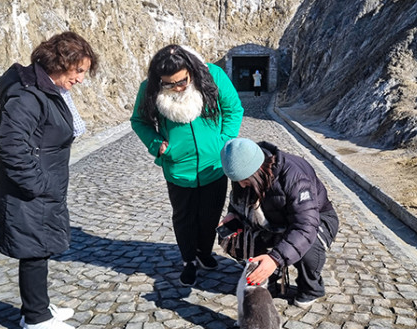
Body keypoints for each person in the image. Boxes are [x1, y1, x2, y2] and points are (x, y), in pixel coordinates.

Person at [0, 31, 99, 329]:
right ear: (58, 63)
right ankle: (36, 319)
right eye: (78, 70)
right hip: (29, 189)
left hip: (41, 186)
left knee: (39, 246)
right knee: (34, 251)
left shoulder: (46, 88)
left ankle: (39, 306)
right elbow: (12, 146)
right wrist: (39, 185)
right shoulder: (27, 96)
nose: (81, 79)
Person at [130, 44, 244, 287]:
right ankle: (188, 260)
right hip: (177, 169)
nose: (178, 88)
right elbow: (139, 121)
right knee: (184, 217)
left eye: (182, 81)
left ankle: (204, 253)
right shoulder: (149, 89)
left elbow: (234, 108)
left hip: (214, 166)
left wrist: (222, 142)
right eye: (169, 84)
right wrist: (157, 144)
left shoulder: (212, 76)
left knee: (210, 215)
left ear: (191, 69)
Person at [219, 138, 339, 308]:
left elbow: (305, 226)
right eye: (236, 180)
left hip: (316, 219)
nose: (241, 184)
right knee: (234, 236)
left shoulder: (294, 176)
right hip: (273, 221)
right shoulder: (244, 171)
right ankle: (270, 277)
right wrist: (232, 214)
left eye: (245, 180)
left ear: (258, 169)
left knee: (308, 247)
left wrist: (275, 259)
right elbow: (239, 199)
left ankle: (312, 287)